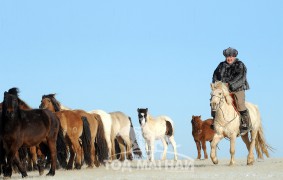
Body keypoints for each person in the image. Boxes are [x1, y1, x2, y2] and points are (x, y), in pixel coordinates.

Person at [211, 47, 251, 136]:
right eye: (227, 57)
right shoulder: (221, 65)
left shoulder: (240, 65)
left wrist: (230, 85)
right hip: (223, 89)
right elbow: (215, 75)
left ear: (234, 56)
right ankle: (215, 121)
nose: (229, 58)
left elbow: (241, 78)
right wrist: (216, 84)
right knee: (214, 100)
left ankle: (246, 123)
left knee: (240, 104)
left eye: (231, 57)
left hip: (238, 88)